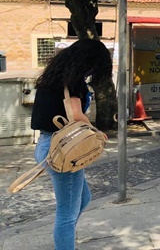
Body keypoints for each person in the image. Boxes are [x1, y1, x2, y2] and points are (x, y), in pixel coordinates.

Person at [31, 39, 113, 250]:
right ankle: (65, 243)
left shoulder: (53, 77)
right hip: (63, 150)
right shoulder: (74, 82)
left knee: (84, 198)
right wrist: (96, 133)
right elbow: (77, 116)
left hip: (47, 143)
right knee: (66, 213)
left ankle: (65, 239)